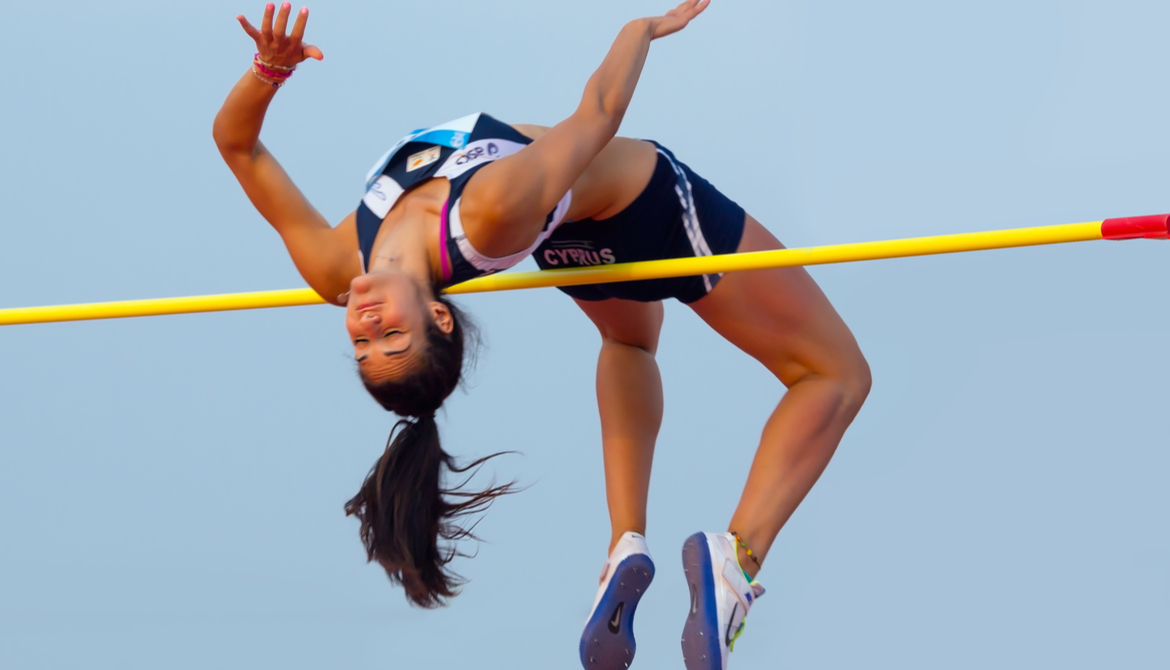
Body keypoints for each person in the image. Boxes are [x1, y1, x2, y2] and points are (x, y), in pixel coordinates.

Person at [213, 2, 871, 669]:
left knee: (629, 344)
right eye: (392, 340)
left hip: (570, 244)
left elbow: (238, 145)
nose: (366, 328)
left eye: (362, 347)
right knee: (836, 375)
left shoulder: (335, 268)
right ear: (438, 316)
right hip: (650, 206)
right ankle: (737, 560)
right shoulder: (489, 210)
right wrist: (640, 29)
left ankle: (625, 545)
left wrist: (268, 70)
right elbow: (599, 114)